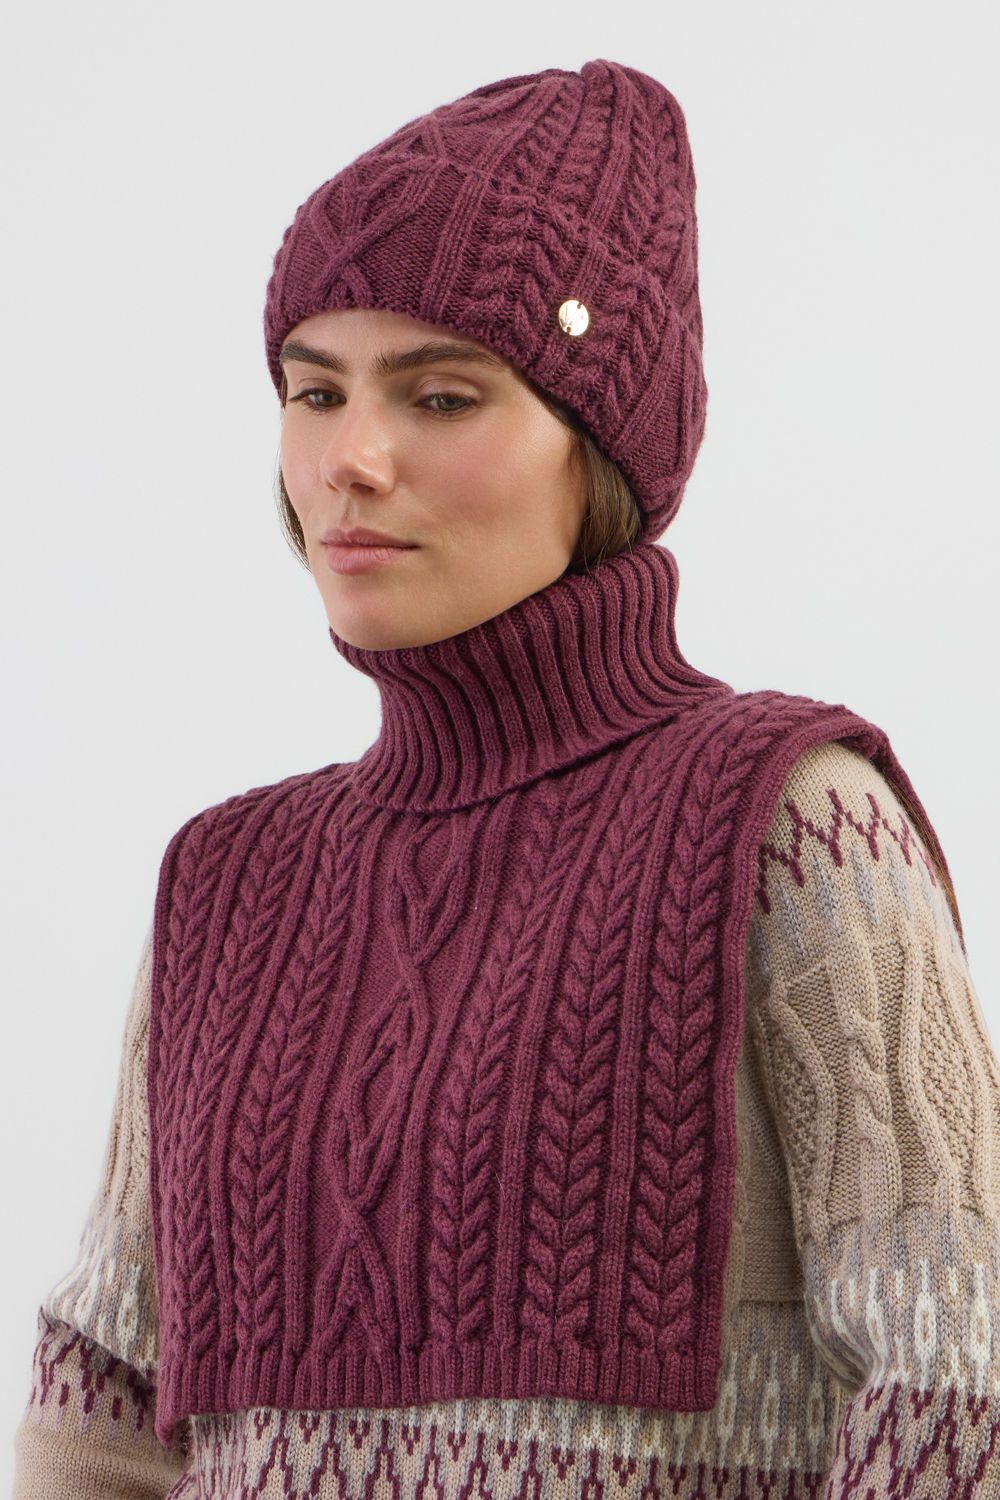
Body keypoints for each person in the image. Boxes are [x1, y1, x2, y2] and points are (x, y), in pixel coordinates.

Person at [12, 59, 1000, 1500]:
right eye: (314, 391)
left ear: (597, 449)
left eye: (441, 395)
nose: (350, 460)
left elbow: (957, 1375)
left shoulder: (790, 823)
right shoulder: (227, 883)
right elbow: (98, 1402)